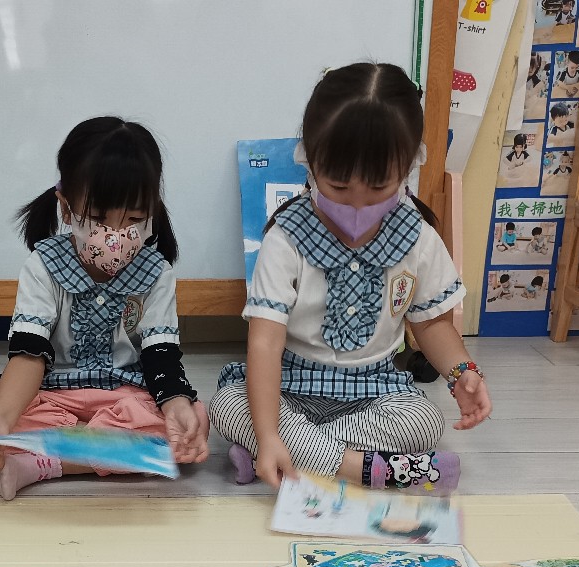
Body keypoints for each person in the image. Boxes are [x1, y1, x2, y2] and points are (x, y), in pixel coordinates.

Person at [210, 64, 491, 494]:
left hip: (373, 389)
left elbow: (432, 324)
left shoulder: (417, 238)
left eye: (378, 188)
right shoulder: (287, 239)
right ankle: (363, 468)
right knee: (229, 404)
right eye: (339, 187)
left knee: (423, 421)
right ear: (309, 160)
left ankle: (282, 454)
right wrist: (267, 430)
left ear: (408, 167)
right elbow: (264, 343)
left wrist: (462, 373)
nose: (357, 205)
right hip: (290, 385)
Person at [0, 117, 209, 499]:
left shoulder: (157, 273)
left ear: (153, 211)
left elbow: (162, 357)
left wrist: (175, 405)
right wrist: (1, 420)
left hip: (124, 395)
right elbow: (28, 355)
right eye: (100, 218)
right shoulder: (43, 265)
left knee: (194, 418)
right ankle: (102, 450)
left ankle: (41, 461)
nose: (116, 236)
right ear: (66, 208)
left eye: (134, 219)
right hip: (52, 392)